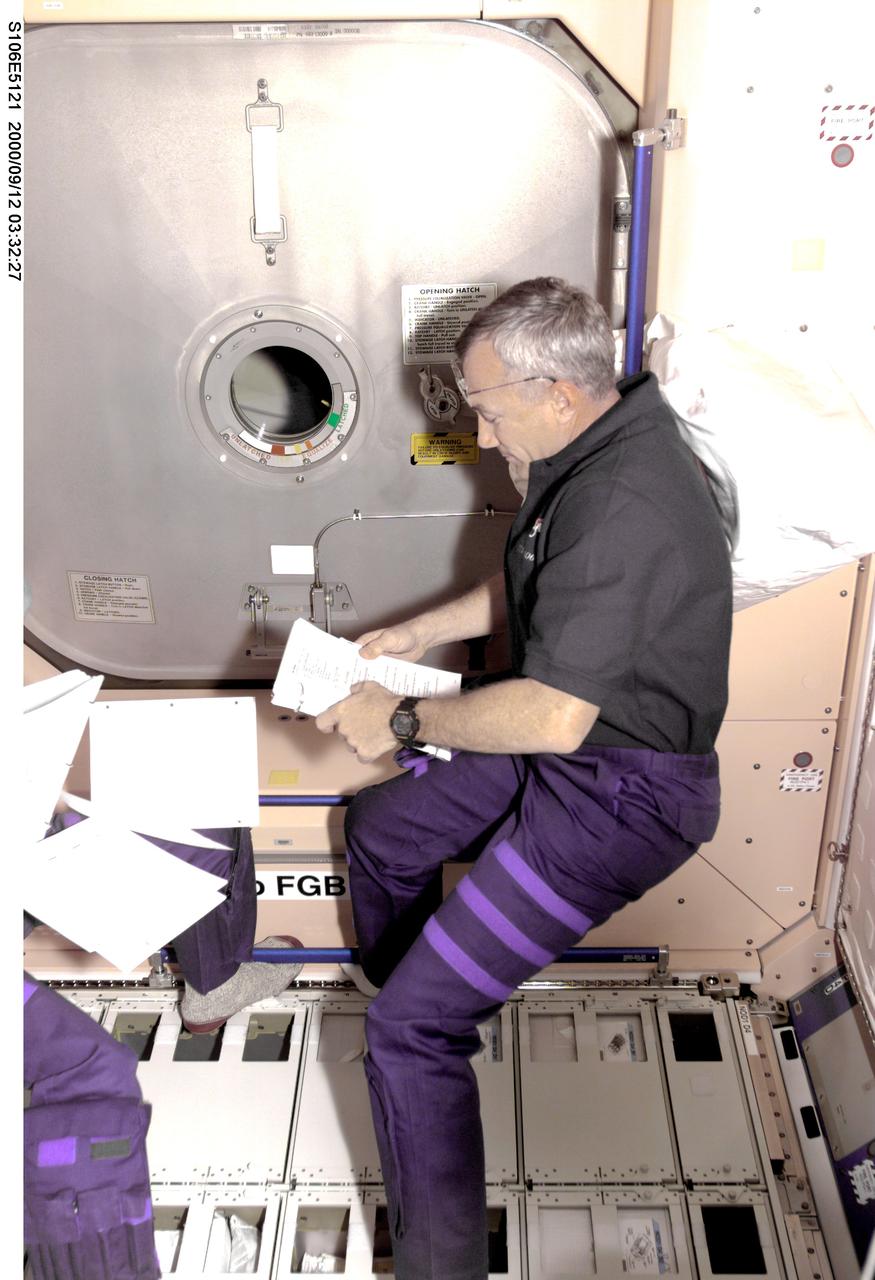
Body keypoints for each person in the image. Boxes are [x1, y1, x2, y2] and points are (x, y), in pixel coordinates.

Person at [314, 277, 733, 1280]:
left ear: (555, 391)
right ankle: (429, 984)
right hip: (571, 756)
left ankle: (437, 1251)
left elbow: (548, 713)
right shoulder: (599, 441)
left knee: (407, 1033)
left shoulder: (628, 493)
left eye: (489, 409)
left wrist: (399, 712)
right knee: (383, 830)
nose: (483, 433)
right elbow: (541, 569)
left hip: (621, 798)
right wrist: (421, 629)